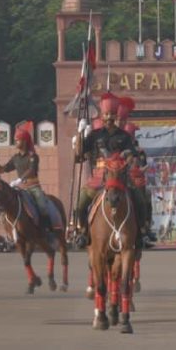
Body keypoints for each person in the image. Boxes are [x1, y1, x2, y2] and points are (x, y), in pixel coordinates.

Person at [73, 92, 149, 248]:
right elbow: (79, 154)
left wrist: (126, 158)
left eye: (112, 114)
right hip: (98, 178)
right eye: (106, 114)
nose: (109, 117)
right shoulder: (94, 135)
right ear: (102, 115)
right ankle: (82, 232)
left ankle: (141, 232)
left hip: (120, 176)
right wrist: (80, 134)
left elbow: (132, 155)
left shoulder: (124, 136)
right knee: (80, 204)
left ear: (115, 115)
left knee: (140, 200)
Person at [0, 122, 54, 239]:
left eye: (18, 140)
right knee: (8, 203)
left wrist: (20, 179)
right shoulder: (15, 158)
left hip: (33, 187)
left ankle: (47, 230)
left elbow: (31, 170)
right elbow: (2, 169)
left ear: (24, 141)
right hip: (21, 188)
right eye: (15, 140)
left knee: (42, 205)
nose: (15, 142)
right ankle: (11, 231)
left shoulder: (32, 156)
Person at [117, 95, 157, 246]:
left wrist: (144, 167)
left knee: (143, 197)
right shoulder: (115, 141)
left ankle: (144, 229)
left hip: (134, 180)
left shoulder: (139, 151)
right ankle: (81, 229)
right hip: (116, 177)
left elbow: (141, 166)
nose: (132, 136)